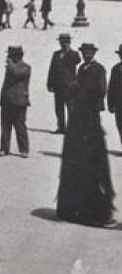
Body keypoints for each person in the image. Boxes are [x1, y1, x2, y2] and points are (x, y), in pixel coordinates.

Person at [56, 43, 115, 226]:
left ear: (94, 53)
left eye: (89, 52)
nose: (86, 55)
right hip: (79, 116)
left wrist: (80, 92)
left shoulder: (99, 69)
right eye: (84, 52)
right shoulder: (81, 68)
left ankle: (95, 209)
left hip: (90, 115)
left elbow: (100, 91)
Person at [0, 45, 31, 158]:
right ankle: (4, 148)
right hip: (7, 100)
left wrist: (10, 64)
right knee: (5, 126)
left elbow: (16, 74)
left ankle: (24, 149)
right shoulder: (10, 67)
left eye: (11, 55)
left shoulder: (26, 67)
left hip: (19, 101)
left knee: (20, 125)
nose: (9, 57)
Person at [47, 33, 80, 134]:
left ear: (69, 42)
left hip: (69, 86)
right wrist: (49, 83)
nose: (63, 44)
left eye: (65, 42)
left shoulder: (74, 54)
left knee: (71, 108)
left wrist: (68, 51)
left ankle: (71, 128)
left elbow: (77, 60)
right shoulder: (56, 54)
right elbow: (51, 69)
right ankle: (61, 127)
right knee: (59, 108)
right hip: (58, 86)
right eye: (61, 42)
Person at [107, 43, 122, 148]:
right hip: (119, 103)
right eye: (121, 54)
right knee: (120, 125)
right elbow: (111, 87)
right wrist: (110, 103)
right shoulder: (115, 69)